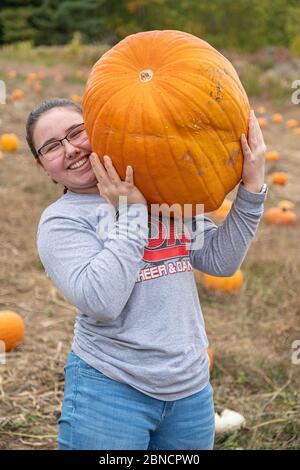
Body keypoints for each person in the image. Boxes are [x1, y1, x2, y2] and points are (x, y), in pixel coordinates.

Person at [26, 98, 268, 450]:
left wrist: (252, 186)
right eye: (51, 147)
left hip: (191, 388)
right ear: (43, 166)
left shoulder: (161, 189)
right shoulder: (62, 221)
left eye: (77, 133)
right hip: (110, 387)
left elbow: (220, 262)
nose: (70, 150)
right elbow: (102, 301)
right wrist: (133, 214)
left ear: (99, 130)